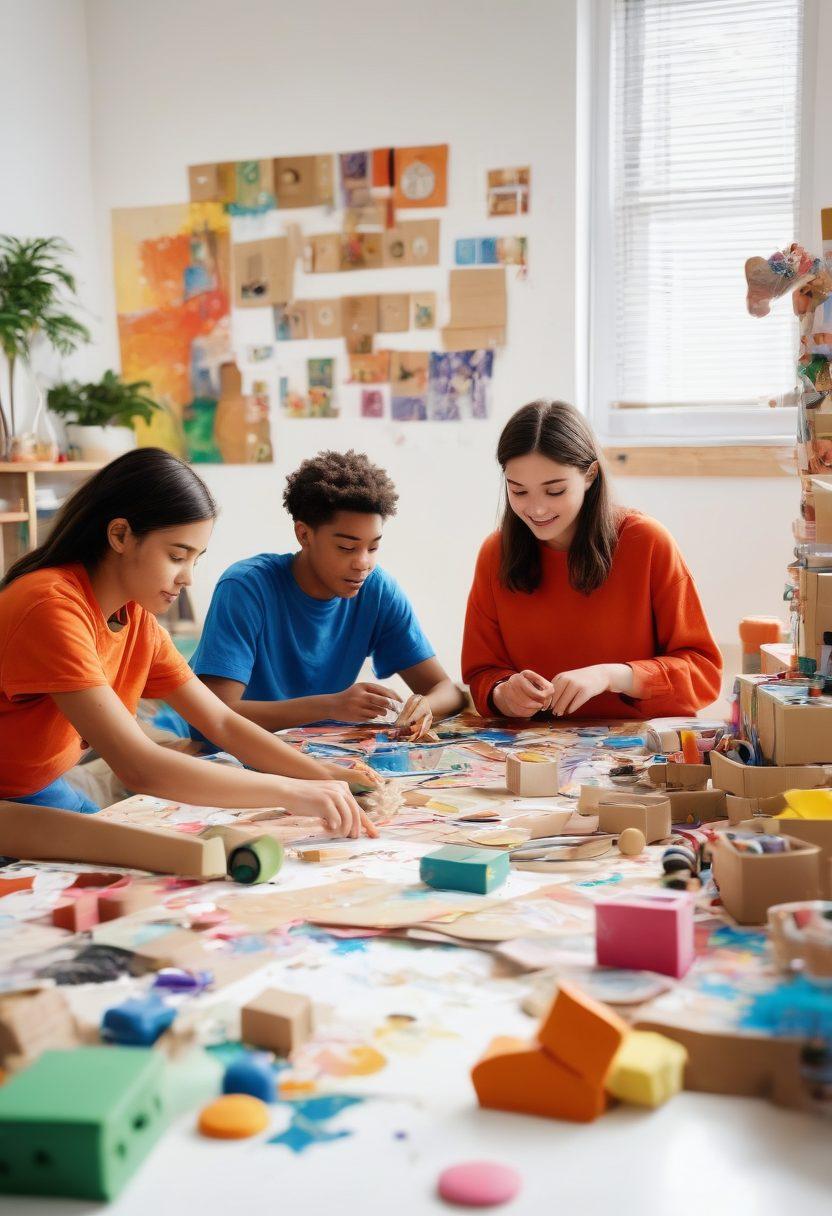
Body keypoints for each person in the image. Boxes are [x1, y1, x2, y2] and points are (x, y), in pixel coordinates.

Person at [0, 448, 375, 838]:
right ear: (120, 535)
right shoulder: (51, 606)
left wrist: (328, 776)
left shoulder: (136, 619)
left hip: (38, 788)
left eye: (195, 559)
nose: (187, 578)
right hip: (14, 799)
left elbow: (222, 721)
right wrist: (293, 792)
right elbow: (138, 766)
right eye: (177, 555)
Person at [462, 400, 722, 720]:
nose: (537, 509)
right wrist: (503, 692)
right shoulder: (496, 553)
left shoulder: (647, 542)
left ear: (590, 474)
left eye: (555, 491)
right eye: (519, 491)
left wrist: (611, 677)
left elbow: (703, 674)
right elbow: (481, 675)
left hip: (635, 751)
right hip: (535, 754)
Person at [189, 449, 465, 741]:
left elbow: (448, 691)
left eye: (373, 547)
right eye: (346, 548)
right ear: (304, 535)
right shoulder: (246, 587)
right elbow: (212, 714)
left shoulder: (377, 590)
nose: (363, 563)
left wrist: (423, 707)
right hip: (229, 752)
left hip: (315, 754)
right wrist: (330, 706)